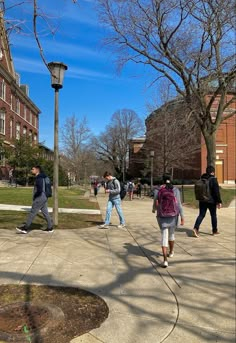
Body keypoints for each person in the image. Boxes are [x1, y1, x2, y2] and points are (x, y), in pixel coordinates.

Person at [152, 174, 184, 268]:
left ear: (162, 180)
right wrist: (182, 217)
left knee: (164, 236)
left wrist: (154, 209)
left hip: (162, 216)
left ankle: (165, 260)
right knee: (172, 234)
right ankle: (171, 252)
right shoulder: (175, 190)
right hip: (173, 215)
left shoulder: (158, 190)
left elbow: (155, 202)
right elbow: (179, 204)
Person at [16, 165, 53, 234]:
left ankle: (25, 228)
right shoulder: (44, 176)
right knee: (45, 213)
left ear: (37, 170)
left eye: (33, 169)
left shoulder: (39, 177)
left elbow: (39, 188)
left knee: (32, 213)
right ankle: (50, 227)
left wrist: (35, 196)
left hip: (40, 197)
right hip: (45, 196)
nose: (31, 170)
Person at [193, 165, 222, 237]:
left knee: (201, 215)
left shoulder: (202, 178)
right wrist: (219, 201)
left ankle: (196, 228)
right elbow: (216, 192)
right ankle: (214, 231)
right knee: (213, 215)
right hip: (211, 201)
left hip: (202, 200)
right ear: (212, 172)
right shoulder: (213, 179)